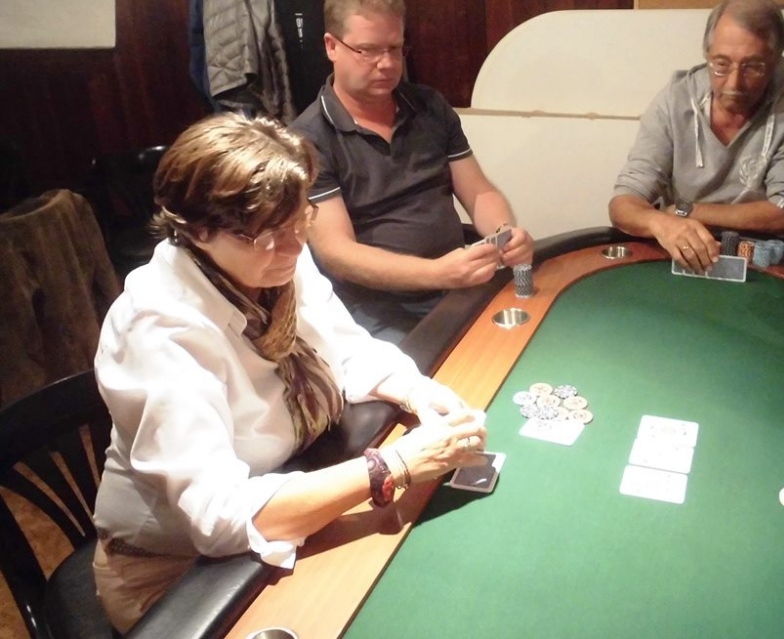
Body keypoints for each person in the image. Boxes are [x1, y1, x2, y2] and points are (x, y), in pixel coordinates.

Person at [91, 113, 488, 632]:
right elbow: (219, 517)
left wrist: (417, 391)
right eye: (269, 236)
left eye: (300, 222)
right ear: (196, 230)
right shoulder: (158, 329)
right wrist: (393, 465)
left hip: (287, 490)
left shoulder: (275, 258)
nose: (296, 247)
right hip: (179, 576)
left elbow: (345, 351)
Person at [291, 0, 533, 344]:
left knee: (524, 337)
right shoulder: (308, 138)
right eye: (368, 50)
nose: (387, 64)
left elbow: (479, 192)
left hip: (456, 282)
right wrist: (437, 273)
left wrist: (504, 234)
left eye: (394, 49)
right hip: (374, 308)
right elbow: (337, 253)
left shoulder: (430, 106)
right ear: (331, 46)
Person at [608, 0, 784, 273]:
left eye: (753, 66)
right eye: (721, 64)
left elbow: (783, 214)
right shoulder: (676, 97)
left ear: (776, 59)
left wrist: (682, 211)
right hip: (683, 254)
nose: (734, 83)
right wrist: (659, 222)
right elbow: (623, 203)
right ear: (707, 54)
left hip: (768, 260)